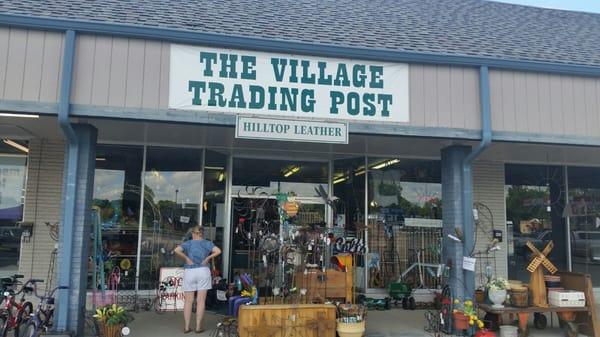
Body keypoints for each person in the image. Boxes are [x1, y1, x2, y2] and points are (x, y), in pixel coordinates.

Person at [174, 225, 221, 333]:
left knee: (188, 301)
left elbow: (176, 250)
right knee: (201, 301)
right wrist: (207, 258)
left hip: (190, 271)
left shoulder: (189, 243)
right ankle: (198, 327)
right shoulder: (207, 243)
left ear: (193, 233)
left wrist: (186, 258)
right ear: (202, 234)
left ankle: (186, 327)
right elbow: (218, 251)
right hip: (203, 271)